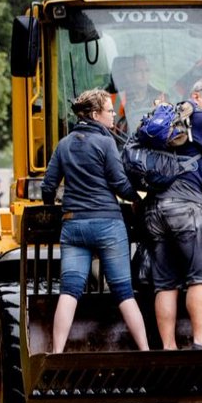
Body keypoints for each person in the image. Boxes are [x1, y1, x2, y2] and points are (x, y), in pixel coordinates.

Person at [41, 88, 150, 354]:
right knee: (123, 292)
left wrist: (53, 208)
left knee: (69, 291)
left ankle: (57, 354)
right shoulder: (105, 143)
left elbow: (48, 186)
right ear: (94, 114)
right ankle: (145, 352)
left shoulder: (64, 144)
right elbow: (119, 182)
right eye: (109, 110)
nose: (114, 115)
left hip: (73, 226)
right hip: (107, 226)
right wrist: (137, 200)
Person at [145, 78, 202, 350]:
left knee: (165, 282)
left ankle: (169, 348)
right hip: (188, 207)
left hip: (155, 209)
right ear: (196, 96)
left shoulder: (166, 120)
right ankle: (200, 342)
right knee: (199, 276)